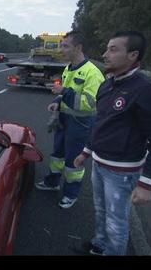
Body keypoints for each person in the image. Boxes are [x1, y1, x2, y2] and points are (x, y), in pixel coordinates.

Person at [74, 31, 151, 255]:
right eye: (107, 48)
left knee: (116, 222)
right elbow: (101, 124)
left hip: (122, 172)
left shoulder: (146, 91)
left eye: (113, 49)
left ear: (133, 55)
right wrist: (86, 152)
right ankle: (99, 245)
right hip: (98, 163)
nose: (105, 54)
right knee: (100, 211)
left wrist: (146, 183)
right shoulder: (107, 86)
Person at [35, 30, 105, 209]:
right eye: (61, 46)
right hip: (63, 120)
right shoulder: (68, 69)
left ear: (78, 48)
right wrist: (56, 102)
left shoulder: (93, 73)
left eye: (66, 46)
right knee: (57, 154)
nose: (61, 50)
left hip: (80, 124)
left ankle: (71, 194)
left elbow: (89, 104)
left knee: (74, 161)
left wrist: (63, 92)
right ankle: (52, 183)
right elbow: (65, 91)